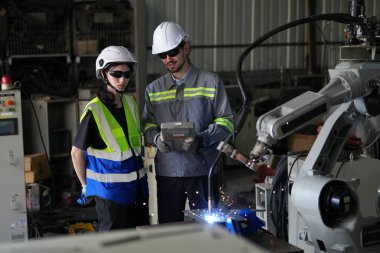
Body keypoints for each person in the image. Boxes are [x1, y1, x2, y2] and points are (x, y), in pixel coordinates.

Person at [142, 21, 234, 223]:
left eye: (173, 52)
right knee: (170, 231)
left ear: (186, 47)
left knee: (208, 231)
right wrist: (157, 138)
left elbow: (227, 123)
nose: (168, 59)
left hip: (203, 169)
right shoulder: (154, 90)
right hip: (168, 172)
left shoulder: (211, 82)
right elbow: (147, 125)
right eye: (162, 55)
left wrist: (202, 139)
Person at [71, 46, 149, 231]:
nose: (123, 80)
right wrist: (85, 186)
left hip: (136, 191)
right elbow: (76, 153)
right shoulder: (94, 111)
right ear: (104, 74)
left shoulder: (130, 102)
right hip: (110, 195)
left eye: (127, 74)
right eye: (116, 74)